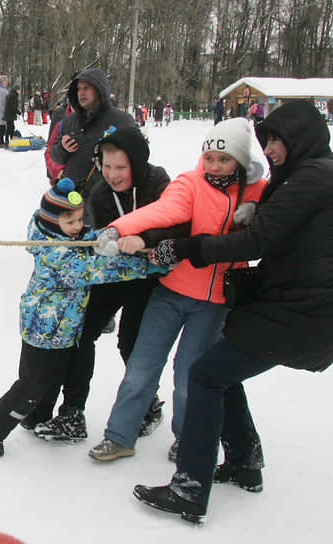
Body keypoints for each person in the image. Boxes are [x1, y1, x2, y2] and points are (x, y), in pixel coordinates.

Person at [133, 99, 333, 525]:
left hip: (308, 312)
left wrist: (186, 248)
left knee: (204, 374)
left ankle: (190, 488)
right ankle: (243, 461)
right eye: (267, 140)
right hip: (303, 306)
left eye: (276, 140)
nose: (270, 149)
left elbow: (256, 241)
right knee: (222, 372)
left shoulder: (313, 179)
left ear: (300, 138)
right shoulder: (312, 175)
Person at [87, 118, 267, 463]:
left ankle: (186, 437)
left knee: (188, 373)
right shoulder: (190, 183)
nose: (214, 166)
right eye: (210, 158)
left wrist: (260, 212)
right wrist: (119, 229)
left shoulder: (258, 189)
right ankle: (120, 435)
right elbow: (164, 212)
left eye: (224, 159)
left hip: (214, 301)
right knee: (141, 365)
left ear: (241, 161)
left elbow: (281, 217)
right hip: (171, 291)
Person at [0, 179, 167, 458]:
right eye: (70, 222)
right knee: (33, 383)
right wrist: (149, 264)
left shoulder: (63, 235)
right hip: (44, 331)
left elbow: (90, 236)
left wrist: (113, 235)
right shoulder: (56, 255)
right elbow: (100, 270)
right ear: (53, 222)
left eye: (80, 219)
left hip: (63, 330)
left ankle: (35, 417)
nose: (78, 226)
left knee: (51, 378)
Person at [30, 127, 188, 443]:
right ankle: (72, 413)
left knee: (131, 341)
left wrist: (144, 241)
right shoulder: (101, 194)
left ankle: (148, 403)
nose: (112, 175)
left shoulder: (159, 185)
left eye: (121, 167)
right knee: (81, 332)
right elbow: (94, 238)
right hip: (117, 274)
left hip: (153, 276)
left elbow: (177, 225)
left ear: (137, 163)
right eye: (106, 166)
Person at [48, 68, 138, 225]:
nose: (81, 93)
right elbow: (53, 155)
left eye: (87, 88)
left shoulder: (121, 120)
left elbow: (138, 156)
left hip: (108, 202)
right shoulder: (68, 121)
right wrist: (62, 148)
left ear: (99, 89)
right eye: (79, 89)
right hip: (73, 202)